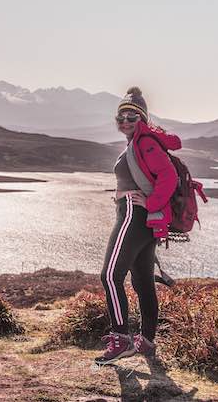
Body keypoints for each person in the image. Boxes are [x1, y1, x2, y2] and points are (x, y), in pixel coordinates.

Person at [95, 86, 181, 365]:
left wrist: (151, 202)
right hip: (142, 220)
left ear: (142, 118)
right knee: (142, 281)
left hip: (134, 215)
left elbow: (169, 177)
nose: (125, 122)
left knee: (110, 276)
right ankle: (146, 341)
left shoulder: (144, 142)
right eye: (121, 117)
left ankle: (121, 339)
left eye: (132, 117)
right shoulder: (136, 143)